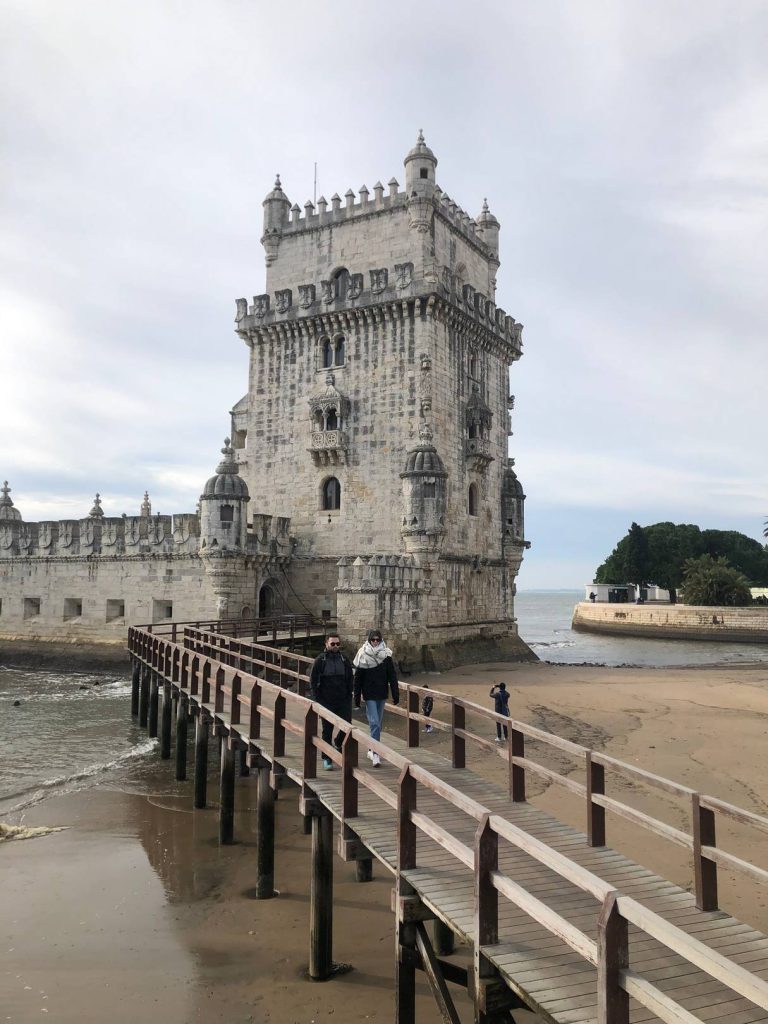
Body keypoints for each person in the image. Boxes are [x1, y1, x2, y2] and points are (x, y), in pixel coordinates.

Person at [353, 629, 399, 767]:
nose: (375, 642)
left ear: (381, 640)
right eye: (373, 639)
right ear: (369, 640)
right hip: (369, 694)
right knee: (374, 723)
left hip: (382, 693)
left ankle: (370, 748)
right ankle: (375, 753)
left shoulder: (386, 655)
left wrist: (395, 694)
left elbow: (392, 676)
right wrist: (356, 696)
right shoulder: (362, 655)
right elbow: (358, 678)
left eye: (378, 640)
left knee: (377, 723)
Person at [310, 633, 353, 770]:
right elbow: (313, 680)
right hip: (326, 700)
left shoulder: (344, 659)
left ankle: (338, 743)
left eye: (337, 644)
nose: (335, 646)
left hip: (342, 699)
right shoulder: (320, 660)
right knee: (327, 730)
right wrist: (317, 699)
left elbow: (350, 679)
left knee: (347, 726)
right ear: (326, 644)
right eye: (332, 644)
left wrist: (349, 695)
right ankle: (327, 758)